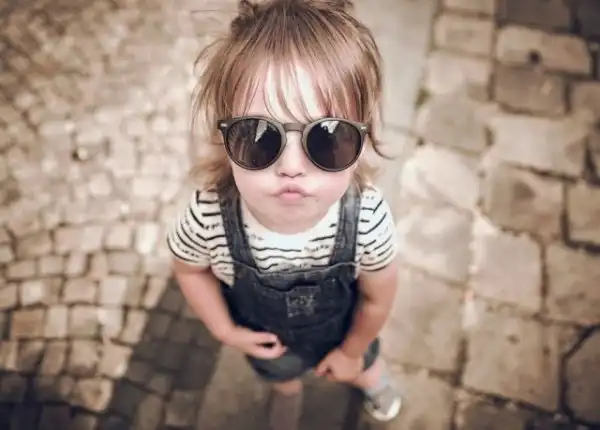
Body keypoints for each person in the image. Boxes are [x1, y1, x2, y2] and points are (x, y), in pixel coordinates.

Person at [167, 1, 401, 428]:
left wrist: (352, 353)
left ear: (362, 142)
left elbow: (377, 298)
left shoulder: (367, 218)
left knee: (366, 366)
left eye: (326, 138)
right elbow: (189, 269)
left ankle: (371, 379)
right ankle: (287, 392)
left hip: (346, 335)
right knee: (281, 375)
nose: (291, 166)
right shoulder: (208, 218)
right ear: (224, 139)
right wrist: (224, 330)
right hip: (272, 348)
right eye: (259, 137)